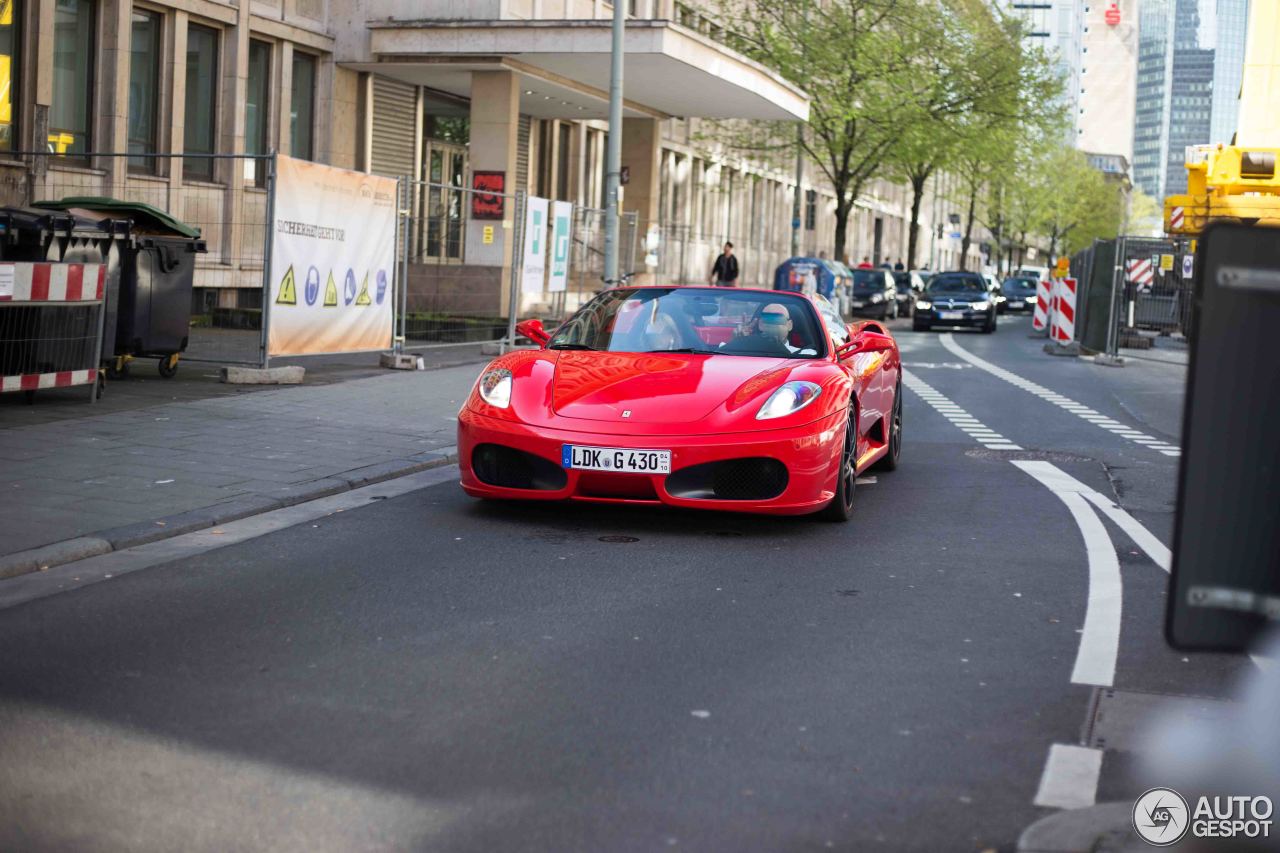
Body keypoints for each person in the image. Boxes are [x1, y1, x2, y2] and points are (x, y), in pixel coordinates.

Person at [721, 303, 799, 356]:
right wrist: (738, 341)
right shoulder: (746, 349)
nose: (772, 324)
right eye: (767, 319)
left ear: (789, 325)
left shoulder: (802, 354)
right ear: (760, 324)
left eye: (778, 319)